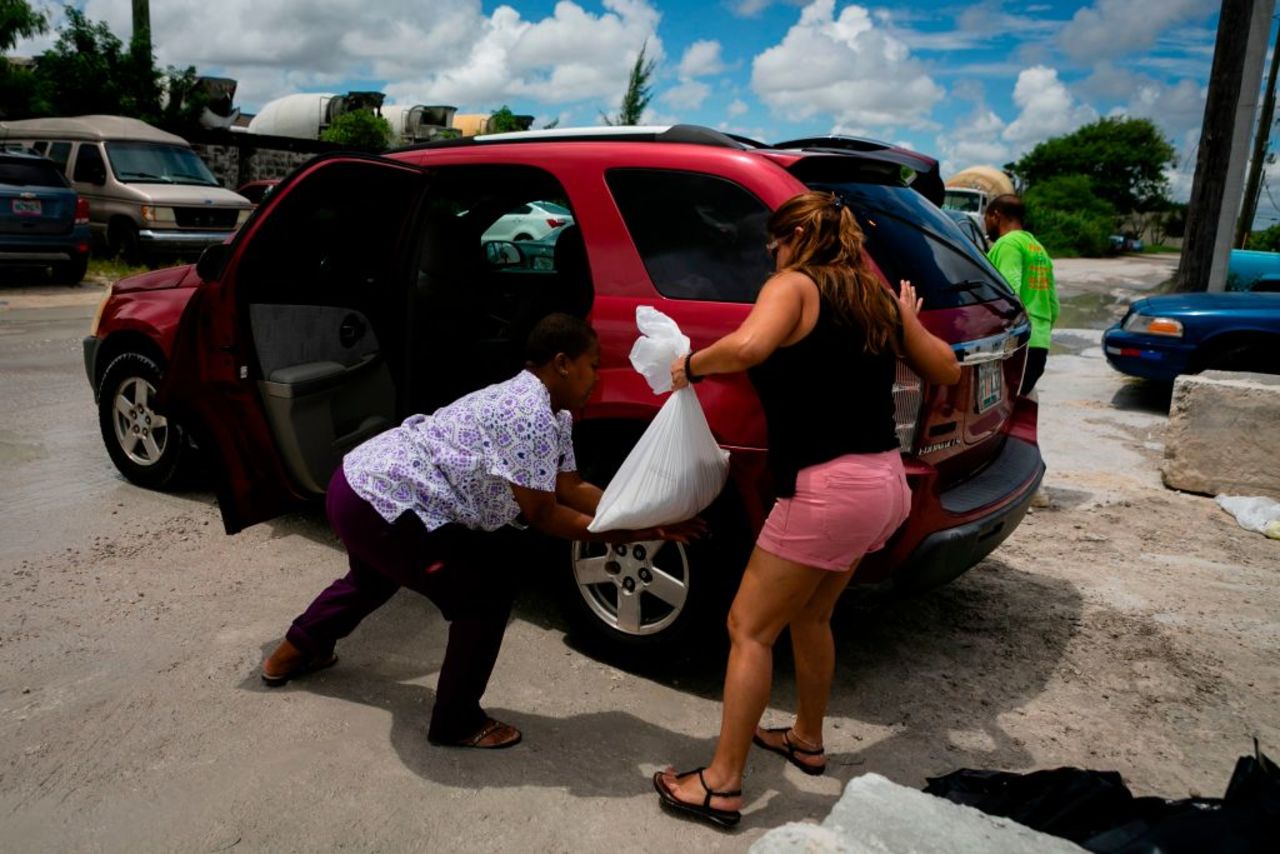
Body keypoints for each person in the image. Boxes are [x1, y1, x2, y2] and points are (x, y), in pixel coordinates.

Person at [651, 191, 961, 828]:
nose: (771, 251)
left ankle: (721, 784)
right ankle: (807, 739)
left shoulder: (792, 285)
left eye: (775, 240)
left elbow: (748, 347)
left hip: (829, 488)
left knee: (748, 628)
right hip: (883, 484)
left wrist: (689, 365)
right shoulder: (872, 294)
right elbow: (946, 369)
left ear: (795, 238)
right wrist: (909, 320)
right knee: (814, 615)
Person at [262, 313, 702, 750]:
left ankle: (294, 652)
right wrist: (627, 536)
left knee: (373, 578)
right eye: (593, 365)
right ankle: (456, 721)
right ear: (563, 363)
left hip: (359, 485)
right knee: (481, 598)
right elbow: (544, 515)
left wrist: (643, 516)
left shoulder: (554, 414)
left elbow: (571, 487)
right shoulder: (528, 414)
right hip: (381, 503)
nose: (596, 378)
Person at [984, 194, 1058, 395]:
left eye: (986, 218)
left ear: (996, 215)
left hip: (1018, 345)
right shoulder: (1038, 248)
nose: (986, 225)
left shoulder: (1008, 244)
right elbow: (1054, 306)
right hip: (1039, 344)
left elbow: (1010, 294)